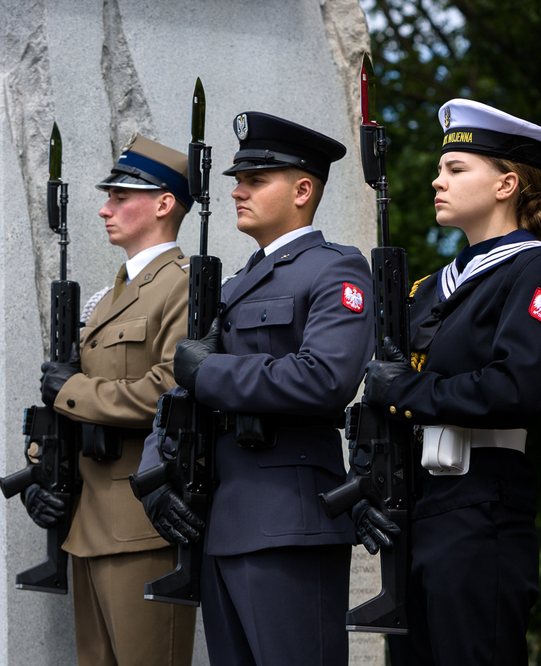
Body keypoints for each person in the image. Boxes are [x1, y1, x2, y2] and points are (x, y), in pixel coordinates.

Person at [139, 112, 374, 665]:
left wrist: (209, 373)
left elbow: (325, 378)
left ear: (302, 189)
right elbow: (179, 398)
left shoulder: (335, 269)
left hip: (287, 523)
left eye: (256, 180)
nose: (238, 191)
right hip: (220, 521)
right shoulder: (233, 285)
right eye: (237, 180)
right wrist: (154, 474)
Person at [362, 99, 541, 665]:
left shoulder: (539, 271)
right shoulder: (427, 290)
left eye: (456, 170)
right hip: (413, 506)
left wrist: (403, 390)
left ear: (506, 183)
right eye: (440, 169)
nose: (438, 180)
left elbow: (516, 387)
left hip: (482, 507)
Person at [32, 134, 197, 665]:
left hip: (142, 525)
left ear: (164, 203)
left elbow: (172, 391)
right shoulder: (113, 294)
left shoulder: (182, 286)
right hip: (89, 521)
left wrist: (72, 392)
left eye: (121, 197)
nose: (105, 208)